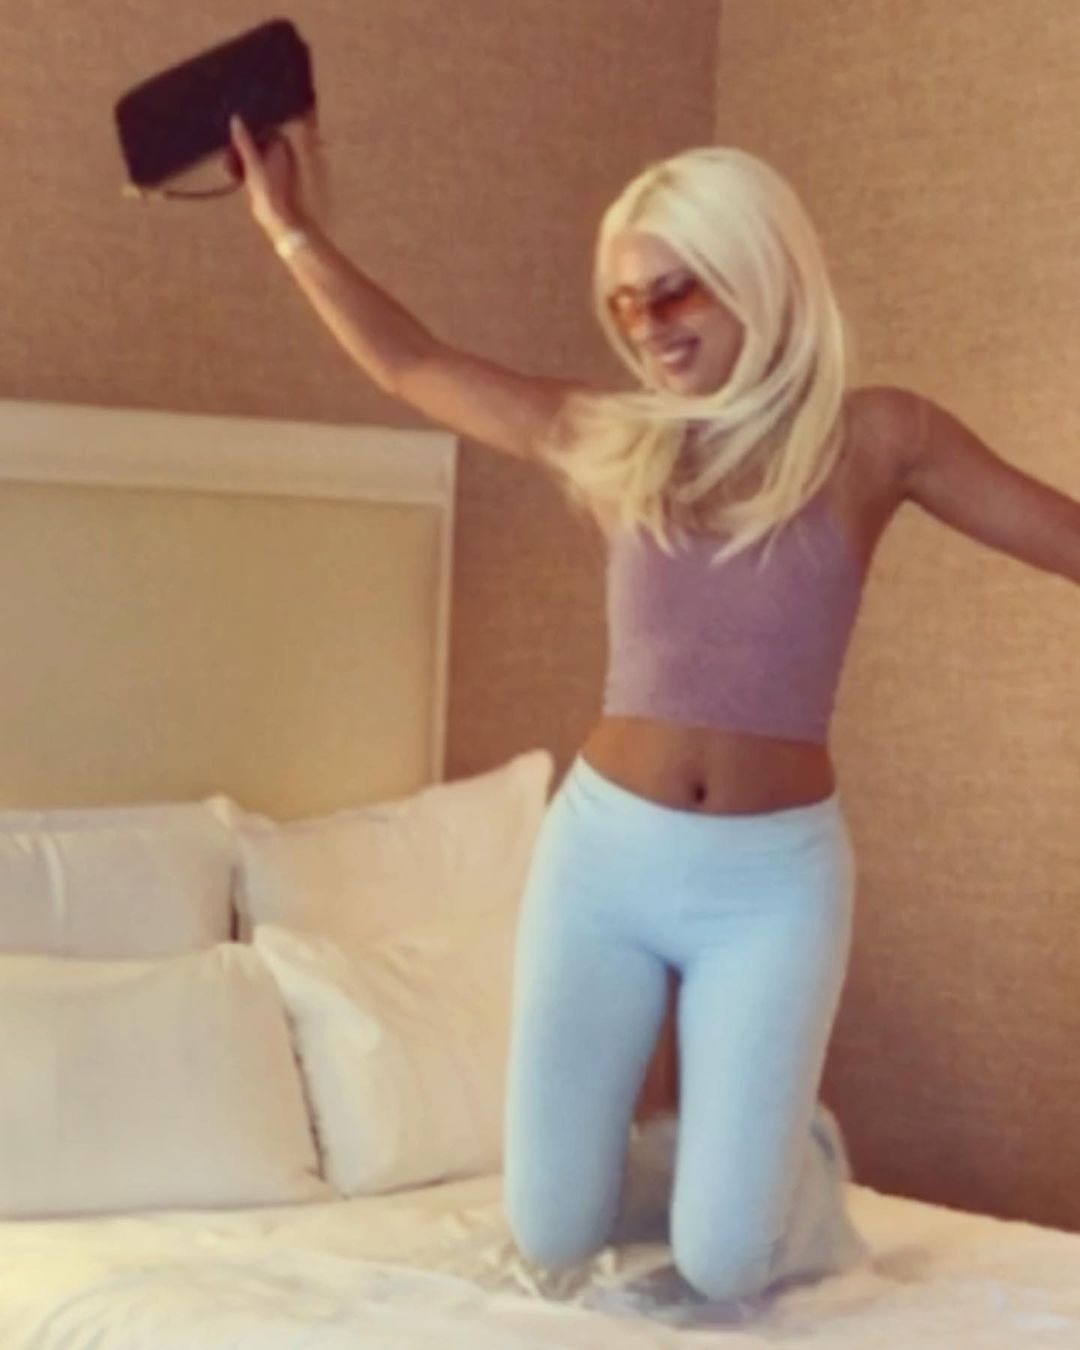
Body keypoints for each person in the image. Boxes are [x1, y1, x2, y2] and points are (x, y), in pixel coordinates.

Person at [227, 116, 1080, 1306]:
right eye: (627, 305)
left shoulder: (878, 437)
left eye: (676, 290)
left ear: (756, 270)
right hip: (605, 861)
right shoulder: (614, 436)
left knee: (726, 1263)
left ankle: (785, 1166)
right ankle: (698, 1161)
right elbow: (412, 366)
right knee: (553, 1232)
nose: (649, 327)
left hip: (774, 883)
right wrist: (289, 229)